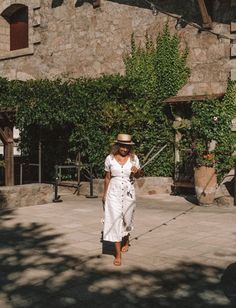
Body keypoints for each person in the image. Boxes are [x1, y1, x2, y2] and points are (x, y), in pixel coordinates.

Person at [102, 133, 142, 266]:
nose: (124, 149)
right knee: (115, 220)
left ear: (129, 147)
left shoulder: (134, 158)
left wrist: (137, 172)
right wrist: (105, 194)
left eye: (127, 147)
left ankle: (126, 239)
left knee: (127, 218)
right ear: (117, 145)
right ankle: (118, 255)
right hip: (113, 191)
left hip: (128, 192)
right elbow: (107, 177)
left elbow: (138, 176)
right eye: (122, 146)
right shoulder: (110, 159)